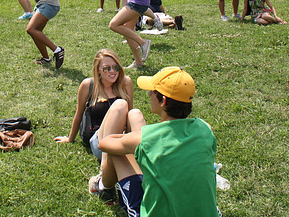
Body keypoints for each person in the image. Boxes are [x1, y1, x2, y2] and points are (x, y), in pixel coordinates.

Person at [91, 67, 219, 216]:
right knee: (134, 116)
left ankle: (102, 187)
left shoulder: (146, 139)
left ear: (163, 101)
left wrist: (131, 138)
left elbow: (104, 144)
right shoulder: (205, 129)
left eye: (152, 91)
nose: (149, 94)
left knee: (116, 153)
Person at [54, 49, 133, 164]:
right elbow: (79, 114)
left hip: (121, 136)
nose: (112, 71)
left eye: (116, 67)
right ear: (98, 70)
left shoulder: (125, 83)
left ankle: (132, 149)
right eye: (107, 68)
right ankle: (111, 162)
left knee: (135, 114)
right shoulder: (89, 86)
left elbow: (130, 114)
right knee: (121, 104)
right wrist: (70, 139)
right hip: (99, 139)